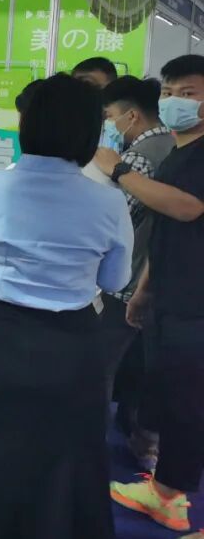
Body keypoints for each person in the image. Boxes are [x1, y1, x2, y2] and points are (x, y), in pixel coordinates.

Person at [0, 73, 133, 539]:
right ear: (89, 134)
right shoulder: (108, 201)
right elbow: (114, 281)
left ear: (27, 125)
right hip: (73, 341)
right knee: (64, 450)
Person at [95, 55, 204, 536]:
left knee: (188, 401)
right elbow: (164, 231)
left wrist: (118, 169)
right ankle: (164, 489)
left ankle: (172, 497)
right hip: (169, 294)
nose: (177, 101)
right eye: (171, 91)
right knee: (170, 393)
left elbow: (185, 209)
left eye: (190, 92)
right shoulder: (179, 150)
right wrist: (143, 290)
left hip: (196, 302)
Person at [97, 76, 173, 466]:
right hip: (157, 279)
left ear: (131, 115)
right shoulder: (173, 145)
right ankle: (146, 444)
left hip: (127, 282)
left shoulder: (139, 156)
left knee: (100, 368)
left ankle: (89, 449)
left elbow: (118, 219)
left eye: (110, 115)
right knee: (142, 370)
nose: (108, 124)